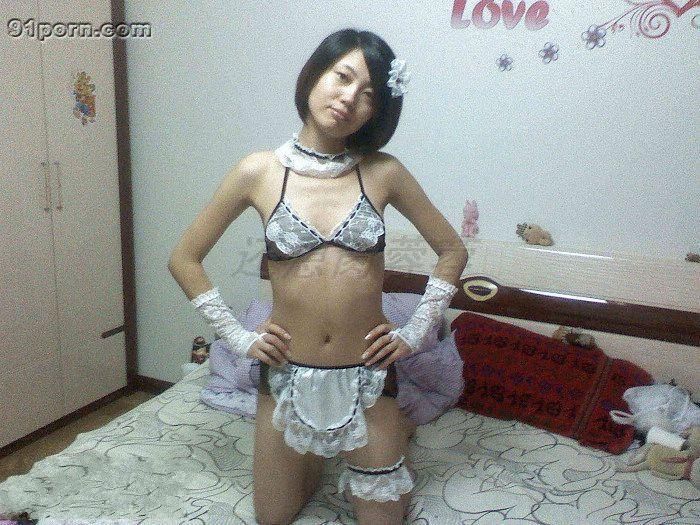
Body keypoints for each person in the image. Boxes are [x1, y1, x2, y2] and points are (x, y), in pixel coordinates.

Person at [168, 28, 468, 525]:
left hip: (369, 376)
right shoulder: (258, 171)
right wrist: (238, 337)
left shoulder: (384, 172)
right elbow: (184, 258)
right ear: (314, 75)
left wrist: (415, 332)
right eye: (342, 77)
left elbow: (452, 250)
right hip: (286, 374)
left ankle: (394, 431)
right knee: (274, 519)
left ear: (377, 110)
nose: (349, 98)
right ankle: (315, 453)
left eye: (368, 94)